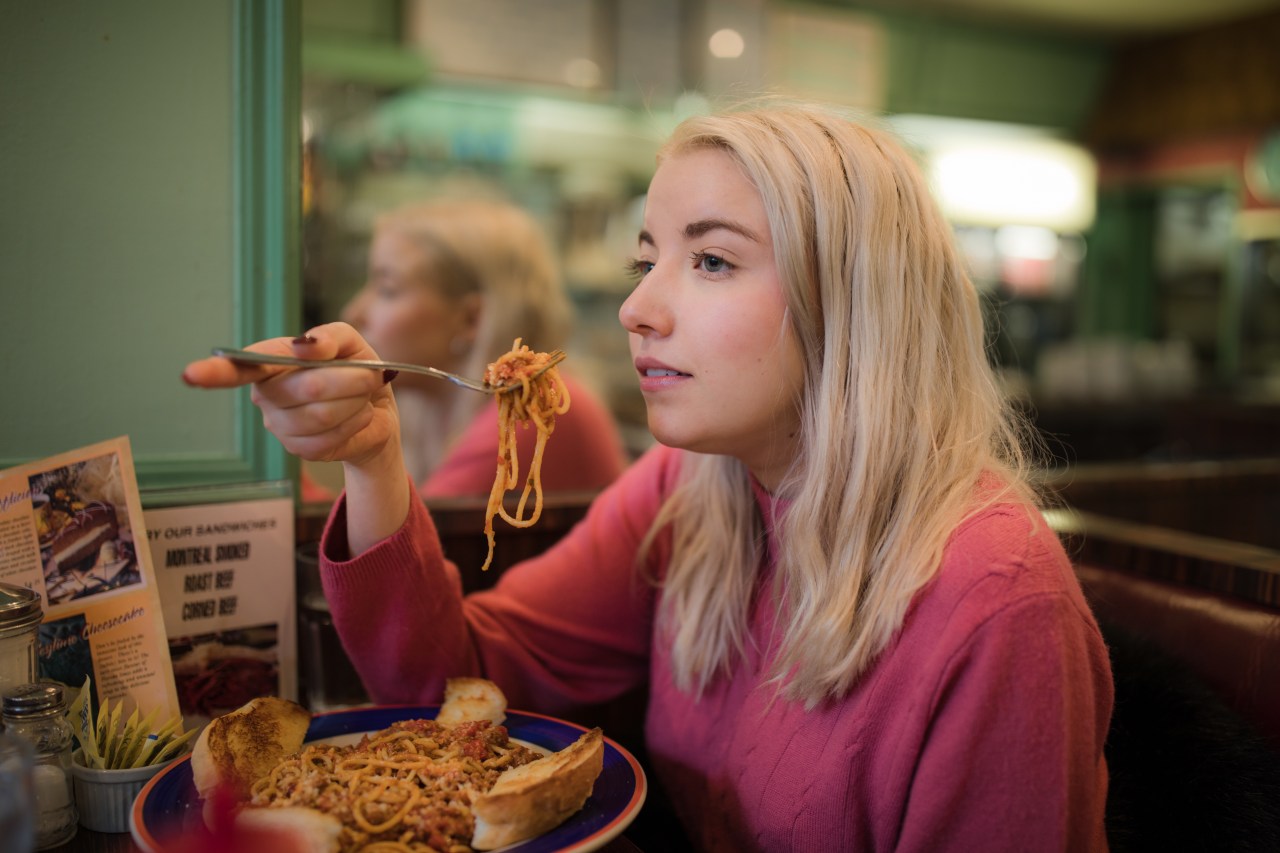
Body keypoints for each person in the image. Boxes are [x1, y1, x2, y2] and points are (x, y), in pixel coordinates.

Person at [183, 102, 1114, 851]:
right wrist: (372, 457)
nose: (636, 307)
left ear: (856, 302)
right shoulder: (688, 488)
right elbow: (455, 686)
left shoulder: (997, 605)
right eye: (646, 258)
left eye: (711, 260)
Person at [302, 198, 627, 501]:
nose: (353, 312)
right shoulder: (427, 411)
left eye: (387, 289)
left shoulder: (536, 407)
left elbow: (407, 547)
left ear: (471, 319)